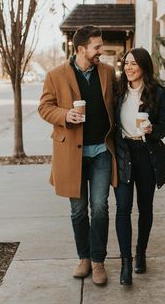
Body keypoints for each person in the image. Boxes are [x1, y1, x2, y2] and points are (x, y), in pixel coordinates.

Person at [38, 25, 117, 286]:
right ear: (81, 49)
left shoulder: (107, 72)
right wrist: (65, 115)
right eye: (97, 47)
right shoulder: (56, 75)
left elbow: (117, 104)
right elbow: (45, 107)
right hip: (71, 153)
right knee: (79, 210)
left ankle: (98, 262)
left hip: (101, 152)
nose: (100, 51)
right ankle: (83, 258)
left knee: (101, 208)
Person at [114, 47, 165, 285]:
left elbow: (164, 127)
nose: (128, 67)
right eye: (126, 63)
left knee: (145, 207)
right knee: (123, 208)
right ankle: (125, 263)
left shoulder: (158, 93)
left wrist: (152, 131)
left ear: (144, 67)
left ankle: (141, 254)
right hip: (124, 153)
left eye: (133, 64)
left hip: (147, 153)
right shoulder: (117, 91)